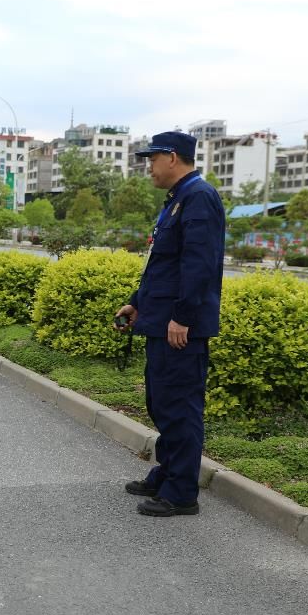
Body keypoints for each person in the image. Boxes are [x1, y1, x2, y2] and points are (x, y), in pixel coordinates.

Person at [114, 131, 225, 518]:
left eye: (153, 159)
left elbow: (199, 266)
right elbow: (161, 266)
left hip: (180, 326)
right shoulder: (178, 199)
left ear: (173, 157)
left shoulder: (198, 197)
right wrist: (136, 303)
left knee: (180, 405)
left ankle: (181, 493)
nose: (149, 167)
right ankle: (169, 472)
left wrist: (182, 317)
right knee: (162, 402)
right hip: (161, 320)